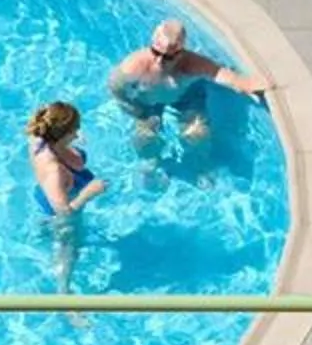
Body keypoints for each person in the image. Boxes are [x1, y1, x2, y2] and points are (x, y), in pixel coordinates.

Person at [107, 19, 268, 146]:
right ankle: (151, 165)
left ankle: (199, 165)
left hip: (185, 99)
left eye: (168, 56)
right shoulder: (134, 65)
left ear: (180, 53)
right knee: (144, 140)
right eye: (155, 52)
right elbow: (116, 87)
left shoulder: (191, 64)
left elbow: (225, 75)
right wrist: (138, 112)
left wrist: (246, 85)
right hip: (148, 104)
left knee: (197, 134)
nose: (159, 60)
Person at [27, 100, 104, 290]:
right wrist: (88, 193)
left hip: (51, 193)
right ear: (62, 134)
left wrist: (69, 138)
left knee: (50, 231)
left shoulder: (38, 138)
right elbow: (64, 213)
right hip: (60, 206)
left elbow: (46, 116)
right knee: (69, 251)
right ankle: (64, 297)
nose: (78, 133)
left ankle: (43, 232)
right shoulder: (54, 171)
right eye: (75, 130)